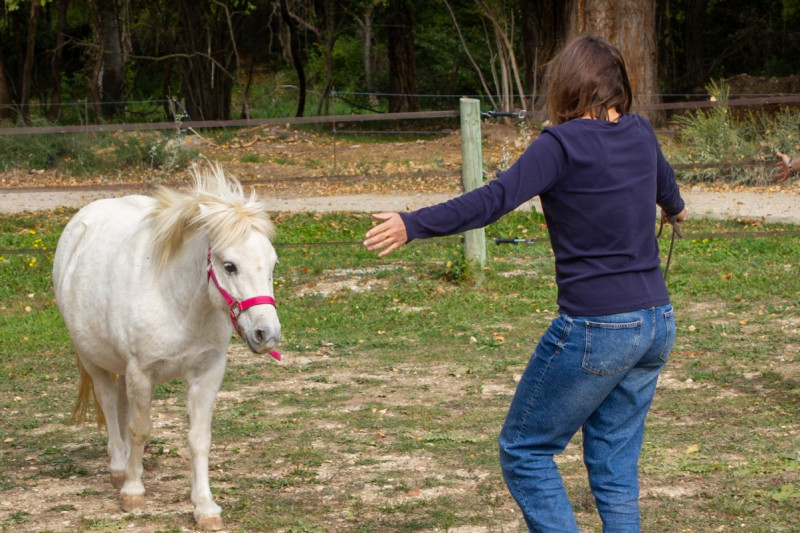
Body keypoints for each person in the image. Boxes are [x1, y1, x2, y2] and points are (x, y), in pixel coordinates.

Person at [363, 34, 687, 532]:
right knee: (616, 469)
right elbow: (671, 195)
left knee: (525, 450)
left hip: (599, 328)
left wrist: (413, 223)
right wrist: (675, 211)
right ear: (617, 85)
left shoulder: (559, 145)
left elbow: (494, 200)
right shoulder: (642, 132)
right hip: (656, 324)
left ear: (569, 84)